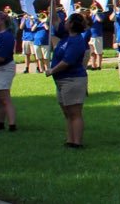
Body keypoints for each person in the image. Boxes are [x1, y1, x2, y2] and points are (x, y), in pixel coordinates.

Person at [46, 13, 89, 148]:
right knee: (67, 112)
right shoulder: (66, 37)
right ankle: (70, 140)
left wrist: (52, 71)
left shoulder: (77, 41)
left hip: (73, 79)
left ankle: (77, 143)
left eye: (67, 20)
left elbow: (67, 61)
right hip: (62, 80)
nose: (64, 22)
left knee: (75, 112)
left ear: (71, 24)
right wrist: (51, 2)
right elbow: (54, 20)